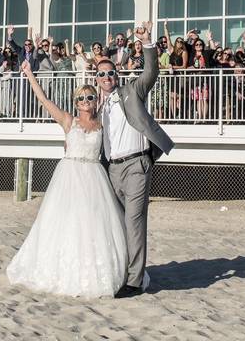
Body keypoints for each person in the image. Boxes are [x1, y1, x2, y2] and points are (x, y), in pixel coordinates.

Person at [6, 60, 128, 298]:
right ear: (75, 102)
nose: (85, 102)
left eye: (90, 98)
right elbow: (43, 100)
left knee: (94, 226)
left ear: (96, 100)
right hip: (69, 177)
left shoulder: (102, 121)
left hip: (94, 177)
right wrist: (29, 73)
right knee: (66, 223)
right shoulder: (68, 121)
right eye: (81, 99)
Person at [95, 22, 174, 297]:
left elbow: (151, 72)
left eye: (111, 73)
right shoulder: (98, 107)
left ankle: (134, 281)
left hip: (137, 164)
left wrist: (148, 43)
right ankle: (123, 270)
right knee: (117, 223)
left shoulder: (131, 91)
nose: (107, 77)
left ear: (117, 74)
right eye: (102, 74)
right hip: (112, 169)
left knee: (134, 222)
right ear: (97, 79)